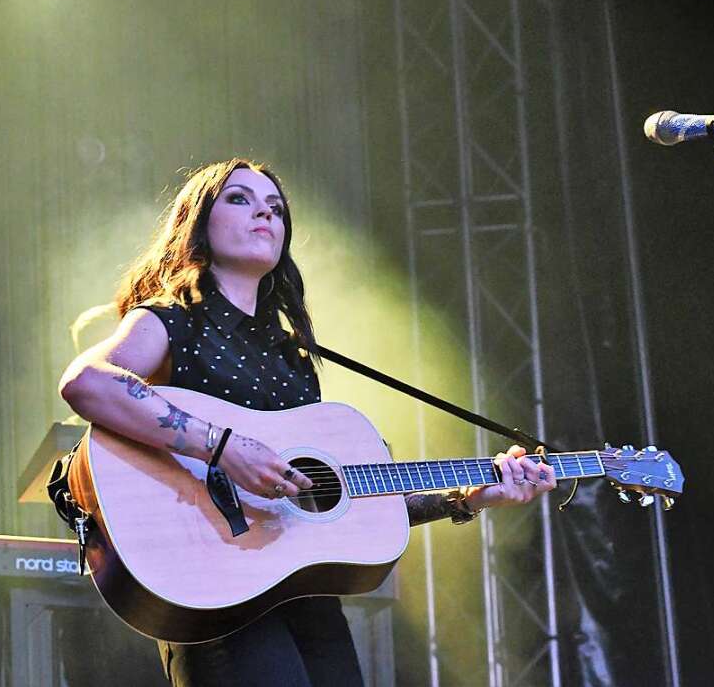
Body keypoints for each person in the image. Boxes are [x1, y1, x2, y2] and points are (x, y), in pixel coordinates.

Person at [58, 158, 557, 686]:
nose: (264, 215)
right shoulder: (170, 321)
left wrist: (470, 497)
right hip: (213, 588)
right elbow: (87, 382)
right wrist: (222, 448)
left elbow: (336, 496)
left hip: (303, 597)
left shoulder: (292, 359)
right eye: (240, 199)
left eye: (275, 208)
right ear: (198, 222)